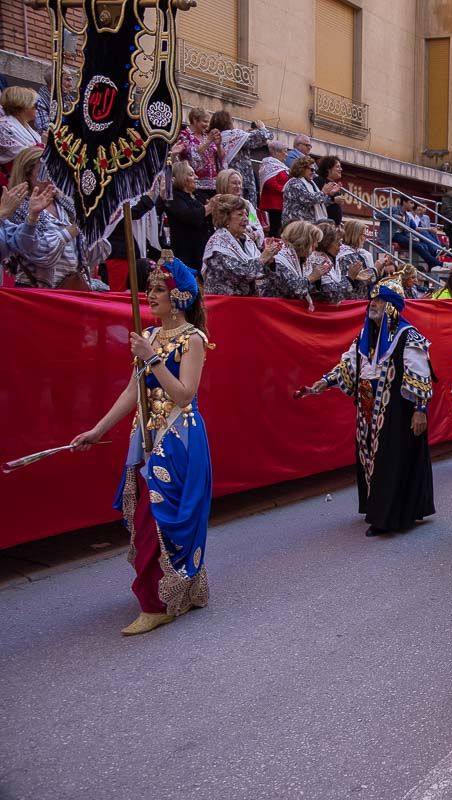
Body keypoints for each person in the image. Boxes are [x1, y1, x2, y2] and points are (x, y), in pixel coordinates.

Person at [71, 257, 214, 635]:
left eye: (158, 290)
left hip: (177, 439)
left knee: (164, 517)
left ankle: (158, 603)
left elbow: (185, 395)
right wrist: (98, 429)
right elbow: (132, 391)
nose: (150, 296)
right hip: (144, 438)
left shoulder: (193, 338)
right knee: (144, 518)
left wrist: (152, 360)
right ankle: (168, 592)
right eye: (148, 289)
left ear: (178, 297)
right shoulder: (149, 336)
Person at [305, 275, 435, 536]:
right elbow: (349, 364)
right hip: (366, 408)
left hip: (396, 409)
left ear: (392, 306)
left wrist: (420, 411)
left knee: (390, 459)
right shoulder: (366, 336)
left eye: (379, 300)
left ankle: (386, 518)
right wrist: (325, 382)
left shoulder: (408, 336)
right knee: (369, 458)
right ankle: (377, 507)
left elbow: (420, 374)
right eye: (371, 300)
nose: (372, 304)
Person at [4, 147, 89, 288]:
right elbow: (42, 255)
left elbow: (87, 256)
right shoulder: (18, 208)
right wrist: (74, 229)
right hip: (36, 292)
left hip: (70, 288)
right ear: (27, 175)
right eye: (44, 171)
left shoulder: (66, 205)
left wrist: (98, 225)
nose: (51, 176)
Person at [201, 193, 280, 296]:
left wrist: (269, 259)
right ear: (226, 217)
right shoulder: (218, 244)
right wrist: (262, 259)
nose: (246, 219)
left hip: (245, 302)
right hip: (226, 305)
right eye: (240, 214)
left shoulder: (245, 240)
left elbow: (260, 273)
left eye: (246, 214)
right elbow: (239, 275)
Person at [209, 111, 271, 207]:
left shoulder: (213, 138)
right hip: (243, 181)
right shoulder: (236, 135)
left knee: (228, 208)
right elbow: (263, 138)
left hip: (223, 181)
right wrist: (262, 128)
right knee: (247, 211)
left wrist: (246, 133)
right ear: (229, 122)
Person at [262, 220, 322, 309]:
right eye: (314, 241)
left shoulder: (302, 259)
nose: (316, 245)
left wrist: (319, 279)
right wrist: (312, 278)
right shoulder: (279, 257)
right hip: (273, 312)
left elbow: (313, 293)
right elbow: (290, 290)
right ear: (304, 241)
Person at [307, 221, 359, 304]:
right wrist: (350, 278)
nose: (340, 245)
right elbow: (332, 295)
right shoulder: (317, 261)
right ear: (327, 242)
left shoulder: (332, 259)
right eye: (337, 241)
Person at [176, 108, 221, 199]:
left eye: (208, 122)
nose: (207, 125)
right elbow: (192, 155)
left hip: (213, 185)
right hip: (195, 185)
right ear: (194, 120)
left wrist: (219, 145)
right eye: (204, 122)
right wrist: (208, 141)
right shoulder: (184, 136)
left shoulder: (206, 136)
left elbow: (221, 157)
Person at [281, 156, 340, 226]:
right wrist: (324, 192)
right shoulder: (294, 183)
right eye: (312, 170)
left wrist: (330, 195)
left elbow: (320, 203)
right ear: (302, 169)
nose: (314, 173)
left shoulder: (311, 184)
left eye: (315, 170)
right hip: (295, 226)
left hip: (308, 226)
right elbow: (308, 199)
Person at [338, 219, 392, 292]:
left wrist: (380, 268)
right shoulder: (345, 255)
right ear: (354, 235)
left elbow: (371, 281)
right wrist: (376, 267)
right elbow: (361, 280)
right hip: (352, 299)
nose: (365, 239)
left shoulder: (363, 253)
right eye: (363, 235)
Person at [0, 87, 42, 181]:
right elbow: (23, 156)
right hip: (14, 181)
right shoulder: (3, 127)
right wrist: (43, 145)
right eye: (35, 105)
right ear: (24, 105)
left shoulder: (26, 126)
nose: (37, 109)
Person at [214, 169, 264, 245]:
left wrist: (255, 234)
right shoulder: (216, 204)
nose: (238, 186)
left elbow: (255, 224)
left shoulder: (246, 204)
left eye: (239, 183)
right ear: (224, 184)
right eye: (234, 183)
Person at [257, 141, 290, 237]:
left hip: (281, 203)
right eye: (284, 151)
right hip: (274, 204)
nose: (286, 154)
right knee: (275, 229)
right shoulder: (269, 164)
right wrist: (285, 190)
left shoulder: (281, 165)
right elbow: (270, 182)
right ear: (277, 152)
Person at [315, 155, 348, 226]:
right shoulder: (319, 181)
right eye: (337, 166)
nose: (341, 169)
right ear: (328, 169)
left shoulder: (333, 184)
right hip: (323, 225)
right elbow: (316, 201)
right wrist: (333, 200)